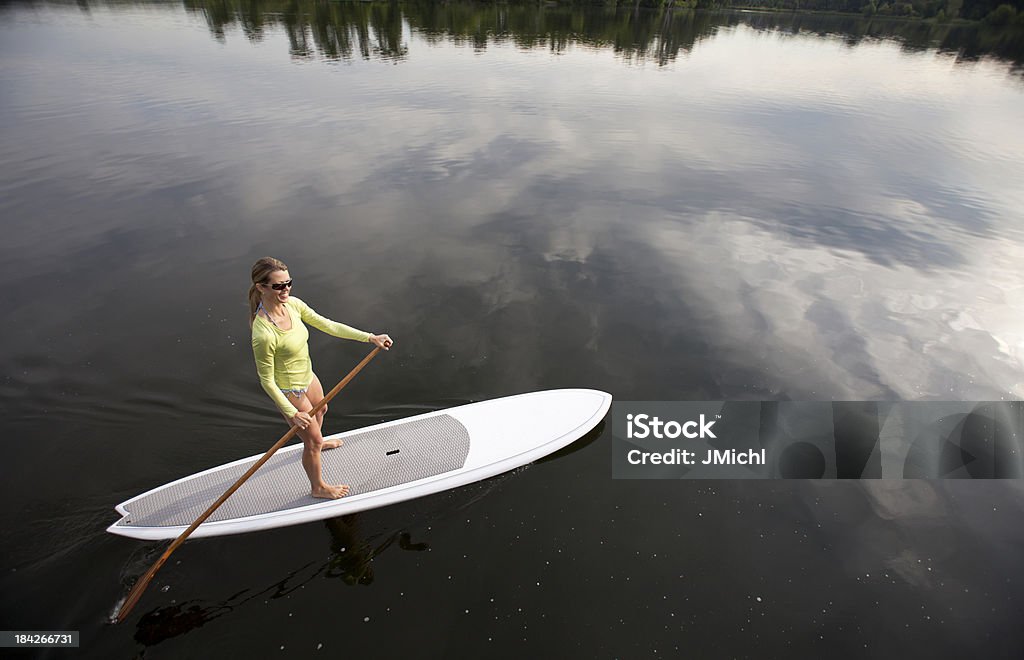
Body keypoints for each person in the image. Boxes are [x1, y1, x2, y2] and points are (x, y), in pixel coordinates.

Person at [248, 257, 393, 499]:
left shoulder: (292, 305)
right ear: (262, 287)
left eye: (288, 283)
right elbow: (266, 380)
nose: (286, 290)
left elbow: (328, 325)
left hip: (308, 376)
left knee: (322, 409)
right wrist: (292, 413)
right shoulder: (263, 333)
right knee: (311, 441)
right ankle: (318, 487)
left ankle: (316, 441)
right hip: (289, 391)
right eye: (278, 286)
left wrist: (369, 337)